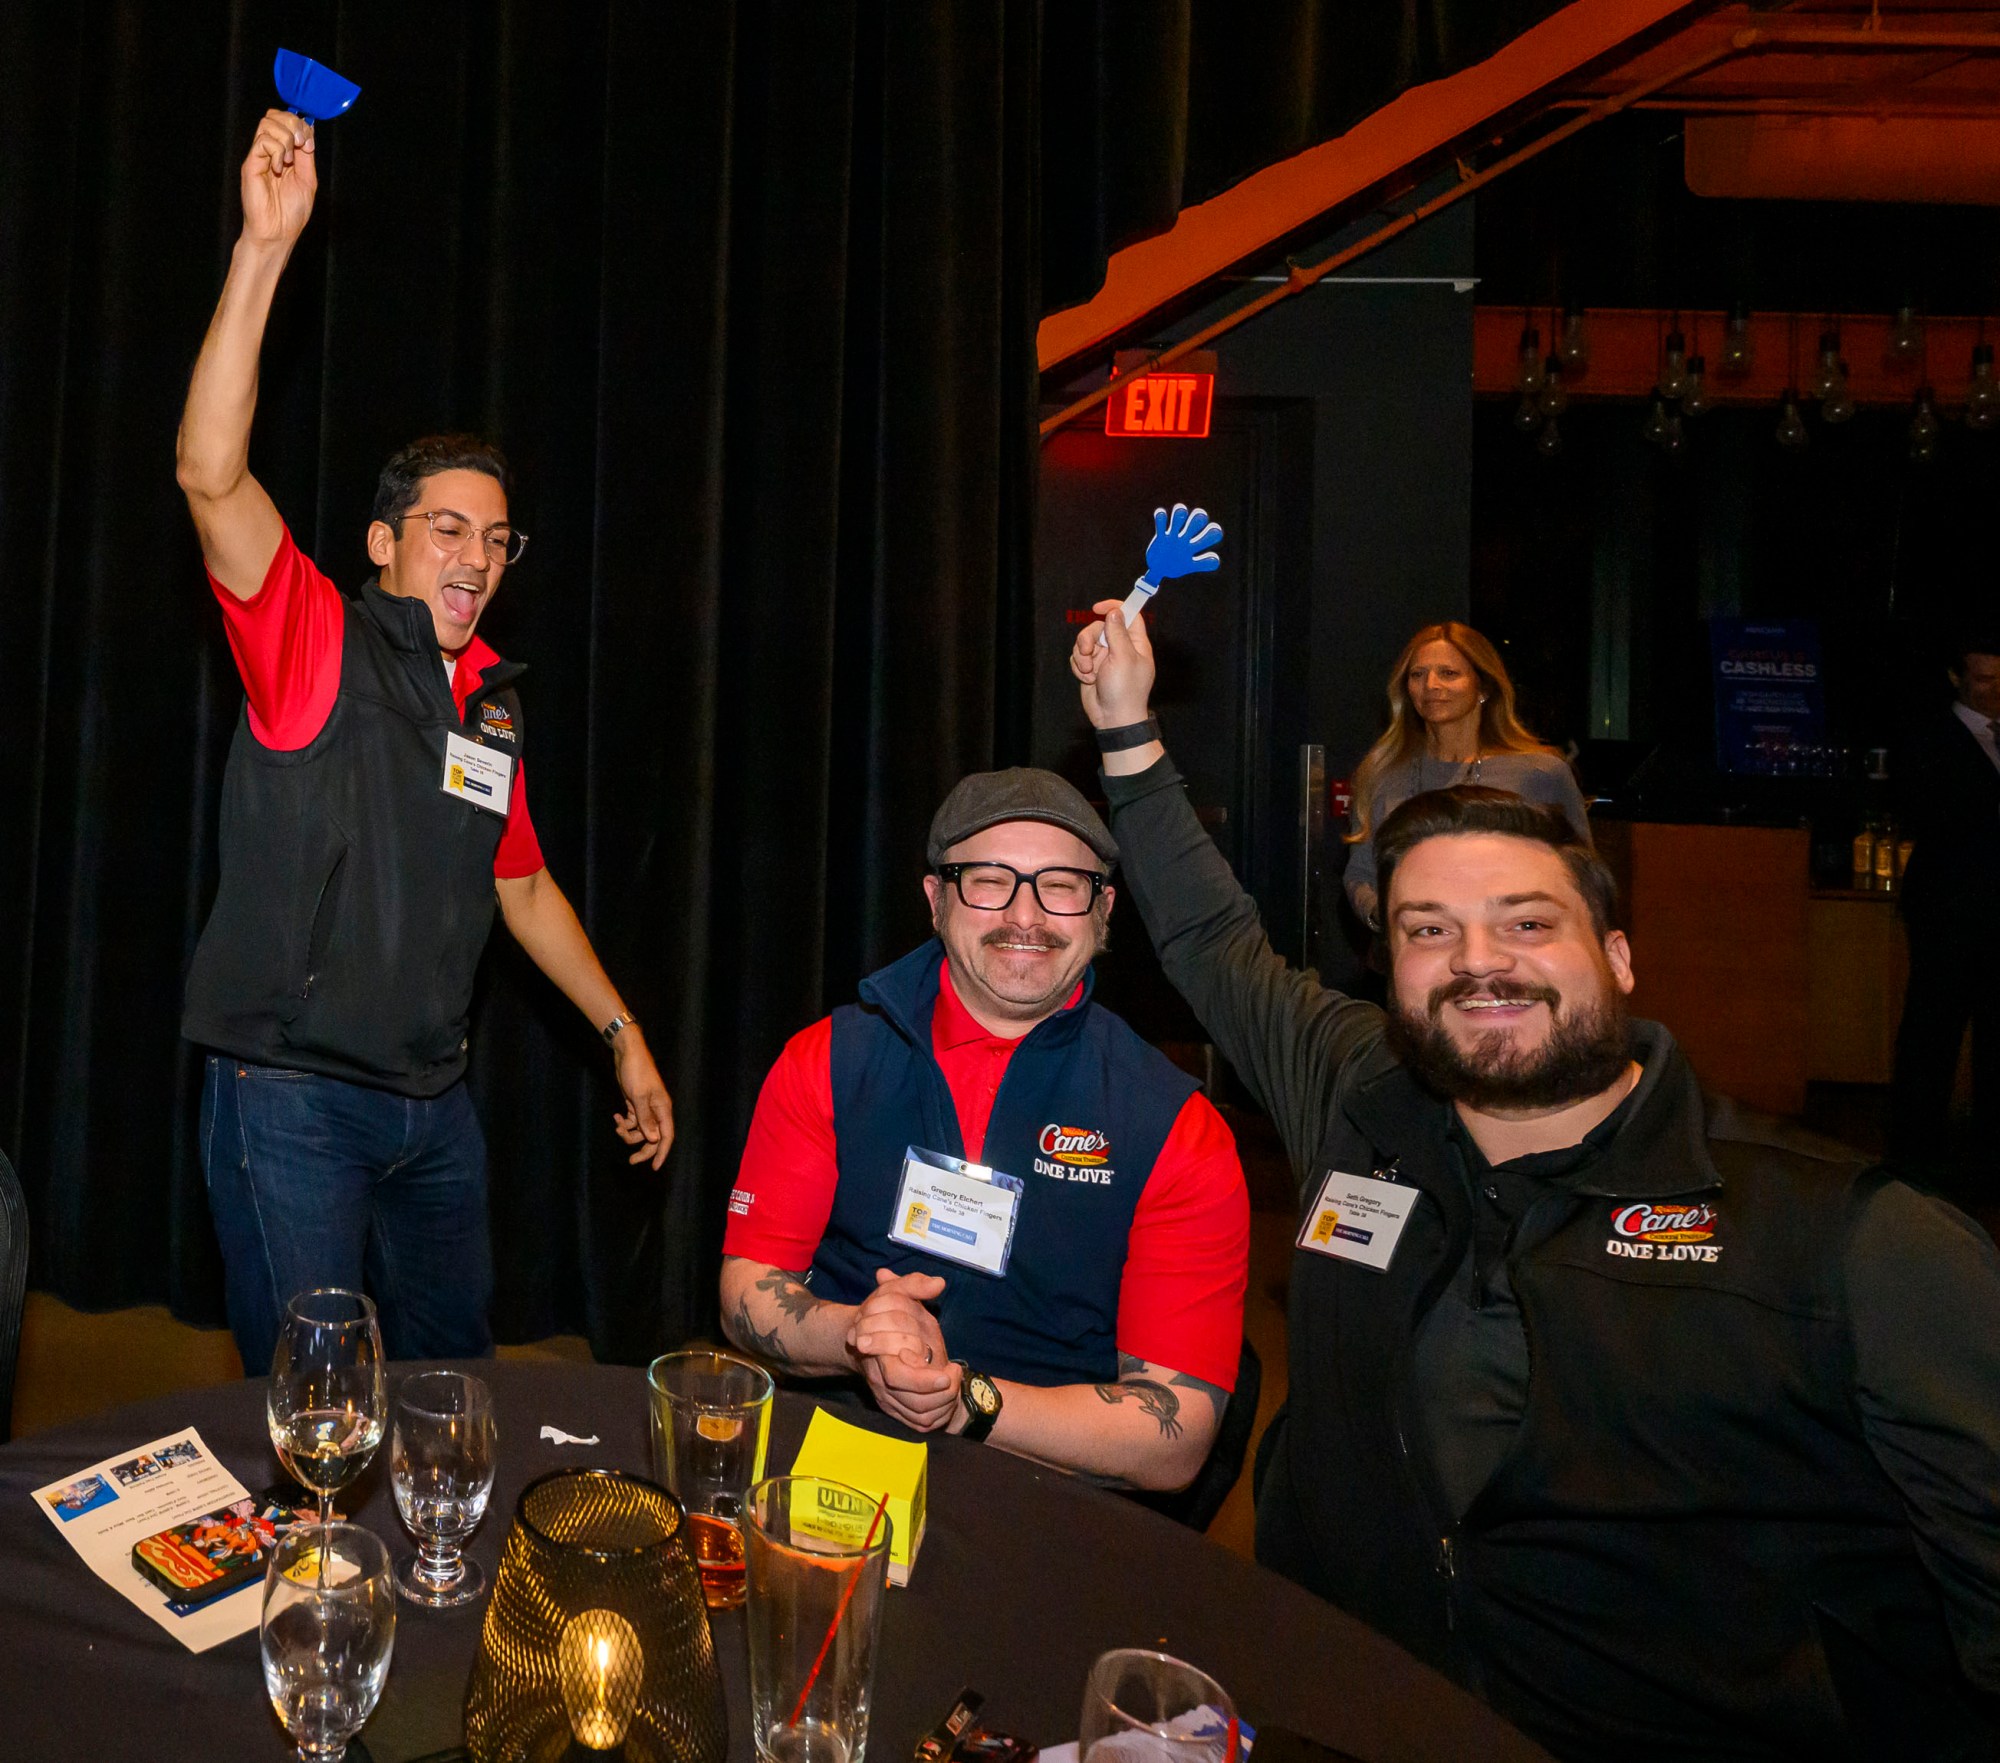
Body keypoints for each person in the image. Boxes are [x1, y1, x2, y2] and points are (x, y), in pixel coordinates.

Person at [1071, 601, 2000, 1759]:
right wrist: (1124, 732)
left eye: (1524, 921)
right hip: (1351, 1713)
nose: (1475, 962)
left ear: (1614, 955)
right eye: (1427, 930)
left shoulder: (1848, 1242)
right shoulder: (1354, 1098)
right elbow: (1213, 940)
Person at [176, 111, 673, 1371]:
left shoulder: (493, 701)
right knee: (313, 1404)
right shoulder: (316, 642)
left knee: (453, 1384)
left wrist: (622, 1032)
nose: (475, 556)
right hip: (290, 1097)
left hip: (432, 1111)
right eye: (446, 528)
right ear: (383, 544)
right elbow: (209, 474)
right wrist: (263, 248)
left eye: (496, 537)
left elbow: (522, 882)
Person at [719, 768, 1248, 1492]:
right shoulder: (830, 1060)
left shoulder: (1173, 1124)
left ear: (1104, 911)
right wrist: (854, 1336)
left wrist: (966, 1398)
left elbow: (1177, 1431)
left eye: (1061, 884)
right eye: (990, 879)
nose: (1025, 915)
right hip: (842, 1448)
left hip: (1052, 1490)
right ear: (936, 900)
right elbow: (747, 1288)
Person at [1343, 622, 1588, 928]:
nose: (1431, 685)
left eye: (1448, 673)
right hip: (1413, 956)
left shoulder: (1539, 773)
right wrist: (1390, 919)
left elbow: (1582, 877)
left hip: (1511, 953)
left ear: (1483, 687)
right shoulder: (1381, 773)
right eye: (1417, 674)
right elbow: (1360, 874)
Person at [1891, 636, 2000, 1184]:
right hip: (1949, 908)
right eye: (1983, 680)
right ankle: (1915, 1156)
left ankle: (1988, 1154)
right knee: (1932, 1030)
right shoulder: (1929, 738)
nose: (1995, 691)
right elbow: (1928, 814)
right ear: (1957, 679)